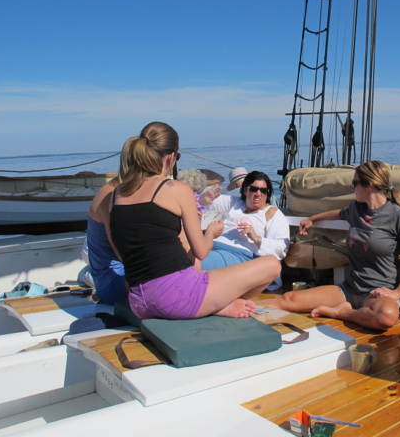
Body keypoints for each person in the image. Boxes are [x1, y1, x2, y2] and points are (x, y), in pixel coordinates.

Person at [107, 122, 281, 320]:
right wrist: (211, 234)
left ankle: (212, 304)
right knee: (272, 264)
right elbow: (201, 251)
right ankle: (214, 305)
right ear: (172, 156)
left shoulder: (116, 194)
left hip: (138, 301)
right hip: (176, 299)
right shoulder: (177, 189)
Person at [258, 160, 400, 330]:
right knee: (289, 299)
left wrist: (398, 292)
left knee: (386, 317)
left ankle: (342, 313)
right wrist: (312, 219)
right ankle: (245, 308)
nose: (352, 189)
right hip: (348, 289)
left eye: (354, 184)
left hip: (377, 294)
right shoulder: (358, 209)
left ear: (369, 185)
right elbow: (338, 213)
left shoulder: (398, 216)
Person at [201, 171, 290, 290]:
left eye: (263, 190)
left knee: (192, 265)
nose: (258, 194)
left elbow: (282, 249)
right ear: (245, 190)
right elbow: (205, 203)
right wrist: (203, 199)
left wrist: (256, 238)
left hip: (240, 255)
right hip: (212, 246)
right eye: (254, 189)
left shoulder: (272, 213)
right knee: (183, 259)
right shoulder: (235, 203)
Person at [84, 136, 134, 305]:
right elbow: (123, 254)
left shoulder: (117, 190)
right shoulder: (111, 196)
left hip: (116, 276)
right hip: (114, 282)